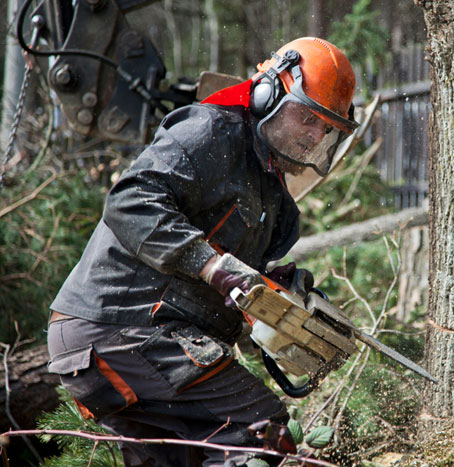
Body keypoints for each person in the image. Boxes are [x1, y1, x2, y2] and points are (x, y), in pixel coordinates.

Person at [46, 37, 358, 467]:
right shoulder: (211, 131)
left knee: (184, 459)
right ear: (269, 94)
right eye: (306, 117)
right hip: (121, 329)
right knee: (260, 430)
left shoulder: (273, 194)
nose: (313, 134)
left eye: (325, 127)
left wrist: (277, 294)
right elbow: (130, 200)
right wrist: (210, 265)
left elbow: (237, 284)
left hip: (129, 343)